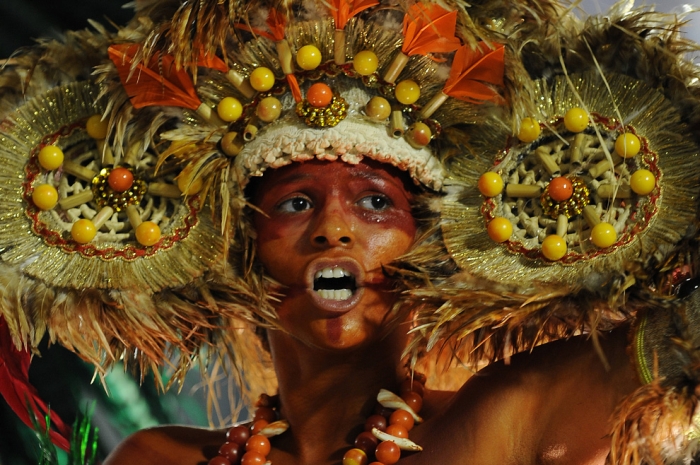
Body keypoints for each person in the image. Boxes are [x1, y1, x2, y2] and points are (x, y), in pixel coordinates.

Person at [0, 0, 699, 464]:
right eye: (297, 203)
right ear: (243, 252)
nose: (334, 228)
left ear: (428, 248)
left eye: (373, 203)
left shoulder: (507, 421)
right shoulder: (158, 459)